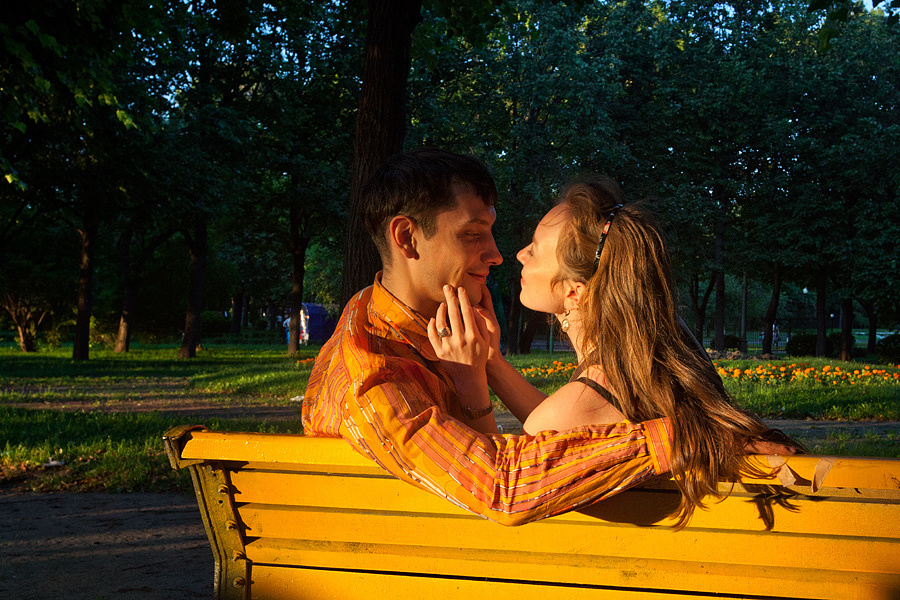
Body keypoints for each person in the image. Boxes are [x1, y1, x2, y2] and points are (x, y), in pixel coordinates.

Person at [302, 148, 676, 526]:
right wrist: (677, 437)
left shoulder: (381, 317)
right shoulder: (372, 375)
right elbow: (500, 488)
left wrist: (488, 364)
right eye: (472, 234)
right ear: (406, 237)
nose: (497, 255)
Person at [429, 178, 802, 527]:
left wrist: (470, 379)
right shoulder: (664, 341)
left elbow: (500, 486)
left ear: (574, 293)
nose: (519, 254)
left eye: (536, 250)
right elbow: (568, 420)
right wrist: (492, 362)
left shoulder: (585, 398)